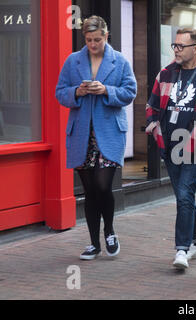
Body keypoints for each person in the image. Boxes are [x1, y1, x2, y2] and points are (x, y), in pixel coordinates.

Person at [55, 16, 137, 260]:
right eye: (89, 40)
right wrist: (77, 92)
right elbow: (60, 93)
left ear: (106, 36)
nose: (93, 44)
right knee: (90, 191)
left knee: (103, 186)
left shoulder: (119, 61)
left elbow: (130, 92)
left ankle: (109, 231)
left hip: (109, 132)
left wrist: (106, 90)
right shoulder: (73, 61)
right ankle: (93, 243)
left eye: (98, 40)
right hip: (81, 133)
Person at [146, 28, 196, 270]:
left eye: (180, 46)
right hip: (169, 144)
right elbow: (152, 105)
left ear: (195, 49)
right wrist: (153, 126)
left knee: (184, 195)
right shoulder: (165, 74)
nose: (175, 49)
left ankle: (182, 250)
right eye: (174, 45)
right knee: (184, 196)